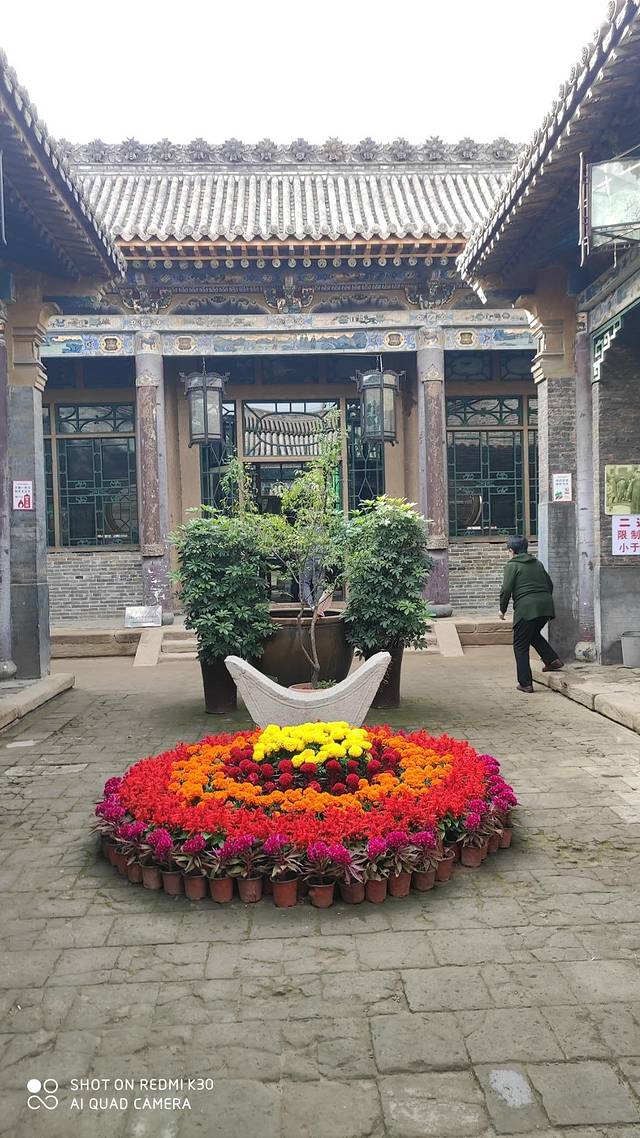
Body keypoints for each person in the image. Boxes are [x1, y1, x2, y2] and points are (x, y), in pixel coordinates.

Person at [499, 535, 563, 693]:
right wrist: (543, 600)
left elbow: (506, 589)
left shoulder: (512, 565)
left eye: (508, 551)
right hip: (546, 607)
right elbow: (549, 584)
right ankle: (552, 660)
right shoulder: (537, 563)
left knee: (520, 644)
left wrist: (502, 609)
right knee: (532, 634)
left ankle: (525, 683)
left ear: (511, 551)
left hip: (526, 609)